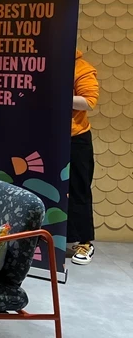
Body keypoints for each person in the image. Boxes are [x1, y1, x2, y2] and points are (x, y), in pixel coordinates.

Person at [69, 49, 99, 265]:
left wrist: (58, 96)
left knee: (78, 188)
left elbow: (89, 102)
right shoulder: (44, 63)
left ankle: (85, 242)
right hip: (45, 137)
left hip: (75, 138)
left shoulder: (82, 68)